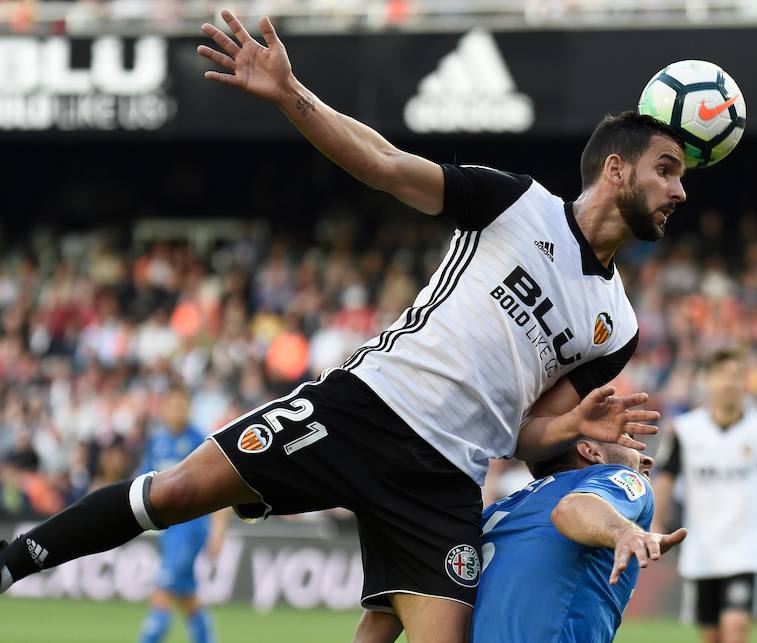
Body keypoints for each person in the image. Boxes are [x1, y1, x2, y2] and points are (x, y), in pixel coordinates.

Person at [0, 10, 686, 642]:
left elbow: (527, 436)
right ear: (615, 168)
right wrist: (290, 93)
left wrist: (571, 430)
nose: (679, 191)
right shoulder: (517, 204)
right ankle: (11, 561)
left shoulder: (617, 325)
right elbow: (386, 165)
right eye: (666, 170)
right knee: (178, 489)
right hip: (365, 406)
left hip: (445, 477)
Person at [354, 438, 687, 643]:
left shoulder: (494, 514)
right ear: (591, 452)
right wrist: (624, 531)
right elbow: (572, 509)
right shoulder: (619, 479)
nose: (648, 459)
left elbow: (412, 595)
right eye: (629, 439)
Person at [651, 348, 757, 643]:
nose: (730, 383)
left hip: (747, 549)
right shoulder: (685, 430)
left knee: (735, 630)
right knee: (712, 635)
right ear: (708, 381)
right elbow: (666, 479)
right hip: (702, 550)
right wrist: (656, 524)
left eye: (737, 376)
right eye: (722, 375)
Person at [137, 386, 227, 643]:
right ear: (163, 408)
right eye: (173, 405)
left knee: (162, 591)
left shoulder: (201, 441)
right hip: (168, 529)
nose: (178, 411)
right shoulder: (157, 442)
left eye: (183, 405)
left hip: (191, 527)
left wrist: (218, 531)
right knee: (186, 595)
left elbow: (221, 489)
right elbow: (143, 483)